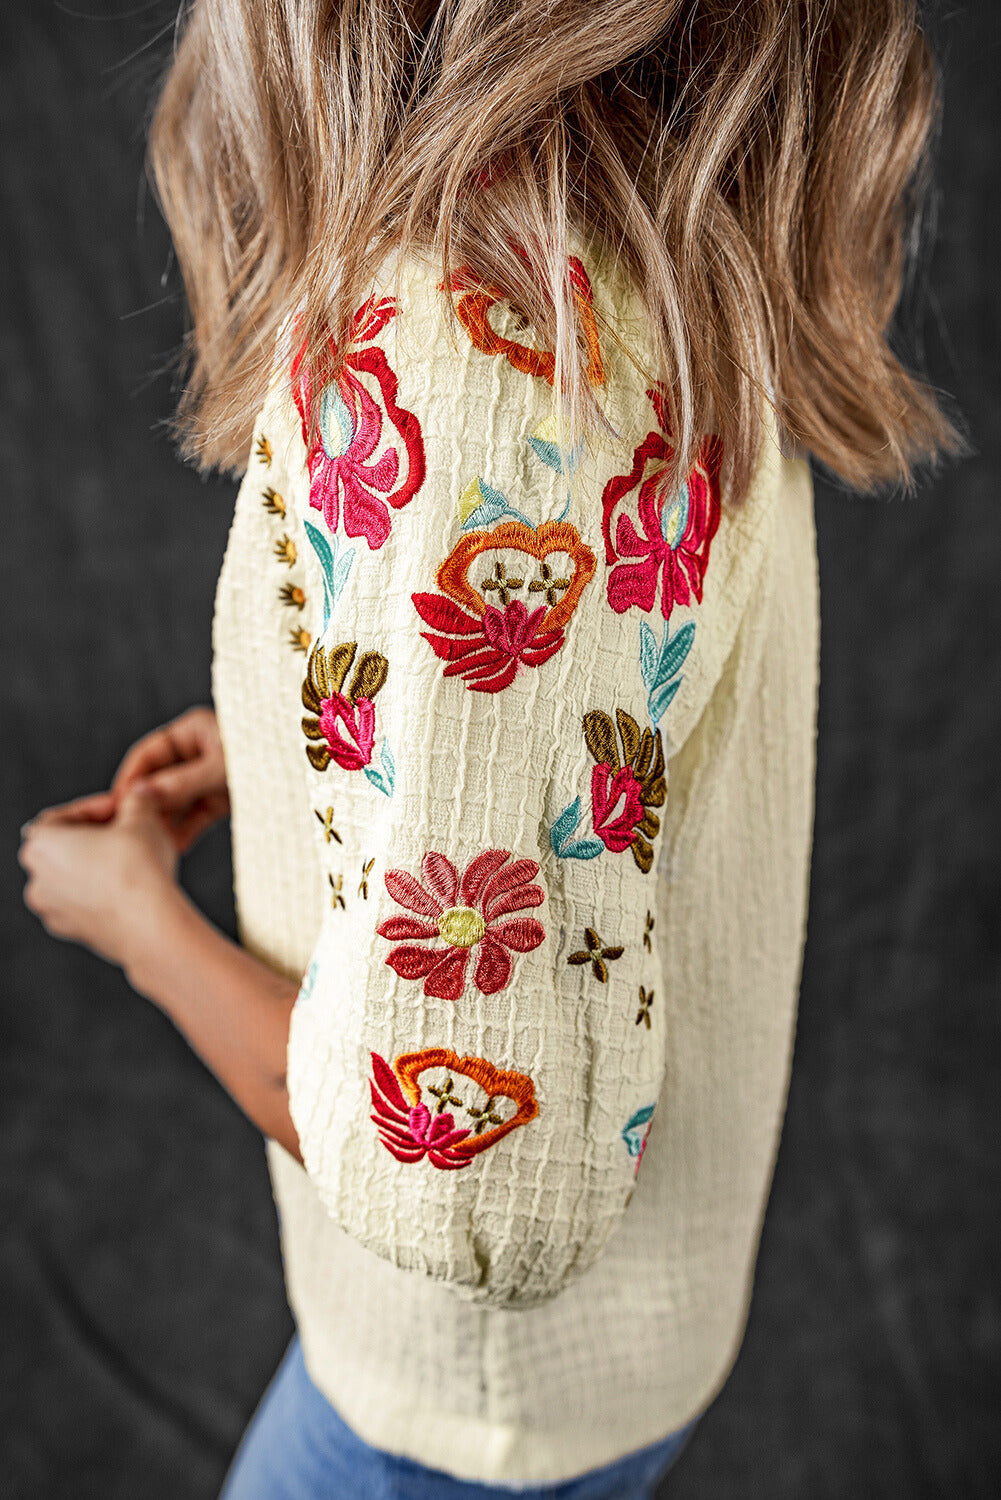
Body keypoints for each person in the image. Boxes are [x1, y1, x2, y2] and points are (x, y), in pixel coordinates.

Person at [17, 2, 959, 1496]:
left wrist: (139, 925)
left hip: (463, 1402)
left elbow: (459, 1180)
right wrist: (301, 742)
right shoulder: (667, 254)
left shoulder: (474, 364)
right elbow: (593, 738)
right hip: (621, 1348)